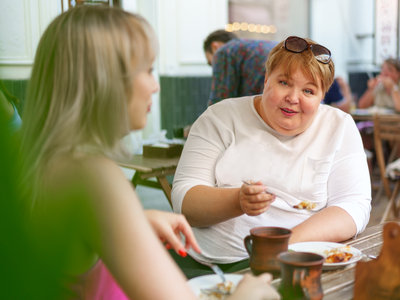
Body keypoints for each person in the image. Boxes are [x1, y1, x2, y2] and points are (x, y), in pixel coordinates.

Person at [19, 6, 279, 299]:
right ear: (106, 80)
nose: (155, 86)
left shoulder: (45, 161)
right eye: (147, 70)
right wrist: (249, 294)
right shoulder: (93, 175)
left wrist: (133, 221)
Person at [172, 36, 371, 270]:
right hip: (212, 265)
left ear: (322, 96)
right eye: (284, 83)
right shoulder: (220, 117)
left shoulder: (339, 126)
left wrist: (280, 247)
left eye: (308, 90)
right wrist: (238, 201)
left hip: (297, 262)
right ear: (266, 80)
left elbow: (353, 205)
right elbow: (184, 200)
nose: (293, 98)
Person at [203, 29, 278, 105]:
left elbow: (219, 101)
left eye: (211, 63)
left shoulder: (224, 52)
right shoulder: (251, 47)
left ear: (215, 47)